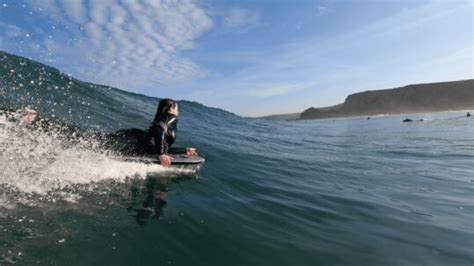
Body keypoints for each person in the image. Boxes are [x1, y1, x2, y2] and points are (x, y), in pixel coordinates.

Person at [148, 99, 197, 167]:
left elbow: (162, 146)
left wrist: (184, 150)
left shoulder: (162, 118)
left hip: (143, 147)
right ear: (171, 109)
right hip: (145, 149)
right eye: (177, 109)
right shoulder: (171, 117)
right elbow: (160, 127)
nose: (178, 112)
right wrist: (162, 154)